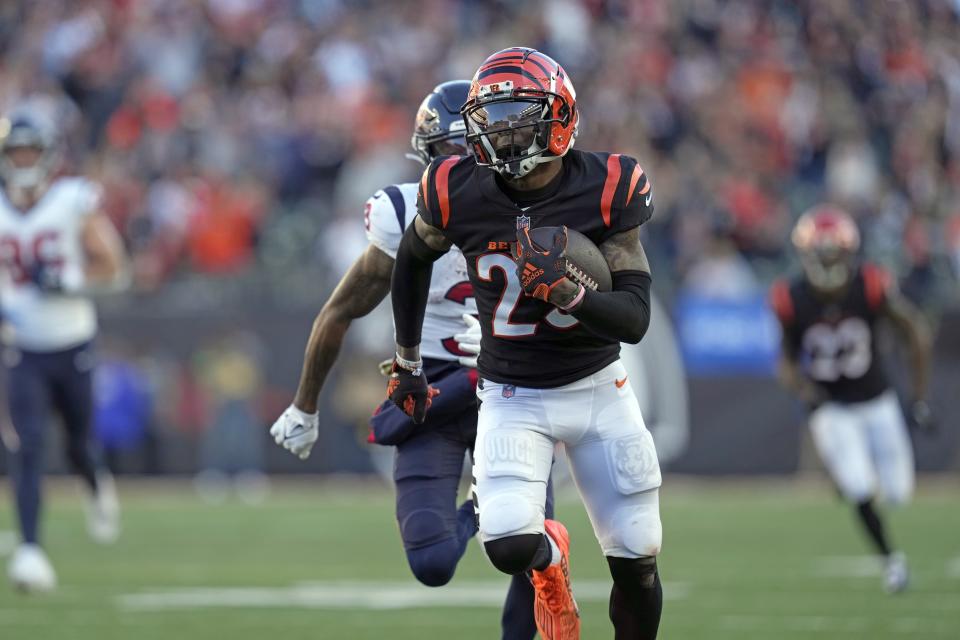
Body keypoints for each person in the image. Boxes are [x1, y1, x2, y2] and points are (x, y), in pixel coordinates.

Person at [386, 48, 663, 640]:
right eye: (494, 117)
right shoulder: (454, 187)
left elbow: (634, 319)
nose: (506, 131)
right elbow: (410, 260)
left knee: (637, 555)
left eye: (519, 114)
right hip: (513, 392)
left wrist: (569, 293)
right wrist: (408, 362)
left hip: (597, 388)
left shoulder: (608, 184)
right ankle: (551, 562)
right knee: (508, 541)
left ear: (558, 115)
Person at [269, 81, 553, 640]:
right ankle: (478, 505)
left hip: (510, 390)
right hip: (430, 391)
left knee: (527, 541)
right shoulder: (400, 214)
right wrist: (304, 405)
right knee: (431, 563)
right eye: (451, 153)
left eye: (474, 150)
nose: (466, 166)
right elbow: (339, 310)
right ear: (426, 157)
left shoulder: (532, 208)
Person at [770, 204, 933, 594]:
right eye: (820, 252)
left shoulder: (872, 284)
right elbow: (786, 362)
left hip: (877, 399)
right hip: (832, 407)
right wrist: (805, 390)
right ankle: (892, 563)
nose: (827, 261)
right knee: (861, 486)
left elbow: (916, 332)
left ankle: (845, 475)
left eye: (833, 252)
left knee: (897, 493)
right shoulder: (790, 297)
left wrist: (920, 397)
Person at [0, 108, 129, 592]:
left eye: (32, 150)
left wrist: (66, 281)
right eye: (17, 151)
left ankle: (95, 482)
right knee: (27, 444)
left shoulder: (73, 200)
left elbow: (115, 268)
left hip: (71, 340)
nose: (25, 159)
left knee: (78, 441)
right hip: (21, 346)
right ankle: (31, 549)